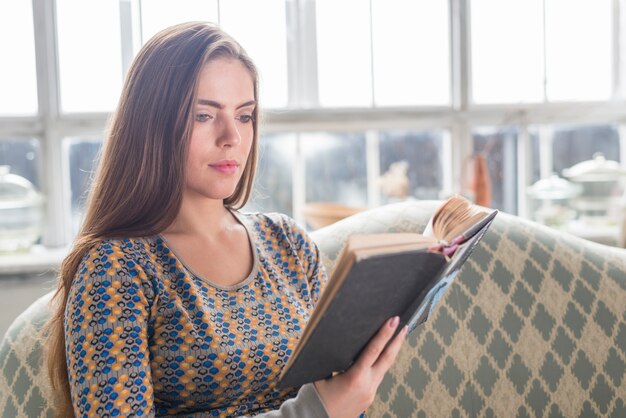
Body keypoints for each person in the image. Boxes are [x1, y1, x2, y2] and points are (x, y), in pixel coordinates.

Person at [44, 22, 407, 418]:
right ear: (152, 124)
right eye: (204, 115)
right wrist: (315, 411)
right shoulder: (115, 267)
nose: (231, 135)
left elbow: (343, 396)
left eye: (245, 115)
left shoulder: (287, 243)